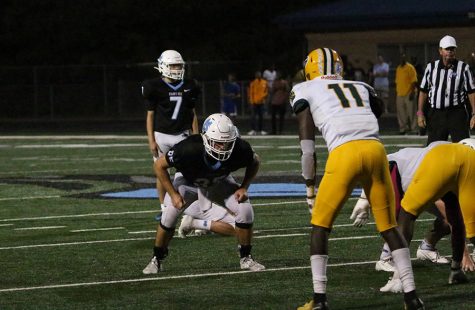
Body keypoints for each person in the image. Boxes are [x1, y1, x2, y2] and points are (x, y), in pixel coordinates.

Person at [291, 48, 423, 310]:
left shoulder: (304, 88)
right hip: (376, 151)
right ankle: (411, 296)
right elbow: (379, 108)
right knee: (389, 227)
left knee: (320, 226)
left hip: (344, 154)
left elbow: (307, 147)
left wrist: (309, 186)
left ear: (310, 69)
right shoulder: (361, 85)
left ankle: (319, 300)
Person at [142, 113, 265, 274]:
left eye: (227, 143)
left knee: (245, 209)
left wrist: (244, 187)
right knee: (170, 213)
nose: (223, 147)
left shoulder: (239, 148)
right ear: (206, 138)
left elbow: (255, 161)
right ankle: (156, 259)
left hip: (218, 181)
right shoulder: (189, 148)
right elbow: (159, 165)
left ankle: (246, 258)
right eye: (218, 143)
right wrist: (173, 194)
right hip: (188, 182)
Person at [350, 143, 475, 283]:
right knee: (402, 216)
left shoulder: (455, 158)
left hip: (423, 178)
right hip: (395, 171)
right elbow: (454, 219)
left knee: (451, 218)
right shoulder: (450, 164)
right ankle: (389, 260)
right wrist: (364, 198)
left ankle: (427, 248)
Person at [142, 50, 199, 215]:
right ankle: (164, 206)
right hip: (162, 135)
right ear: (163, 66)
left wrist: (196, 136)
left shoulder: (190, 85)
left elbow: (192, 114)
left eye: (179, 65)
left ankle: (186, 206)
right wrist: (151, 140)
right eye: (173, 65)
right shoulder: (153, 86)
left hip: (182, 135)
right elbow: (150, 115)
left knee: (186, 173)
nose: (177, 69)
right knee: (162, 172)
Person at [417, 35, 475, 144]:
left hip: (457, 113)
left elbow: (471, 92)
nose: (450, 52)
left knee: (462, 147)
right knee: (434, 149)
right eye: (447, 49)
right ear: (440, 51)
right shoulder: (431, 67)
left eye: (452, 49)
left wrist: (474, 113)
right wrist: (420, 113)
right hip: (436, 115)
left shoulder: (463, 68)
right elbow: (423, 91)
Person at [395, 53, 419, 134]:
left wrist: (412, 93)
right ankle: (403, 128)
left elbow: (414, 81)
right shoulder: (398, 68)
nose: (402, 60)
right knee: (401, 113)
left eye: (403, 58)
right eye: (401, 58)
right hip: (400, 94)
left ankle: (414, 129)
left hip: (409, 93)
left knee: (411, 112)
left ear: (405, 59)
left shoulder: (410, 67)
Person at [247, 71, 268, 135]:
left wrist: (263, 97)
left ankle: (261, 130)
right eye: (257, 74)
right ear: (255, 75)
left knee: (261, 117)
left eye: (259, 74)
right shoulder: (253, 83)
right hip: (254, 103)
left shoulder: (264, 82)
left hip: (261, 103)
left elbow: (266, 92)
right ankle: (253, 130)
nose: (258, 75)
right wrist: (251, 101)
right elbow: (251, 93)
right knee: (253, 117)